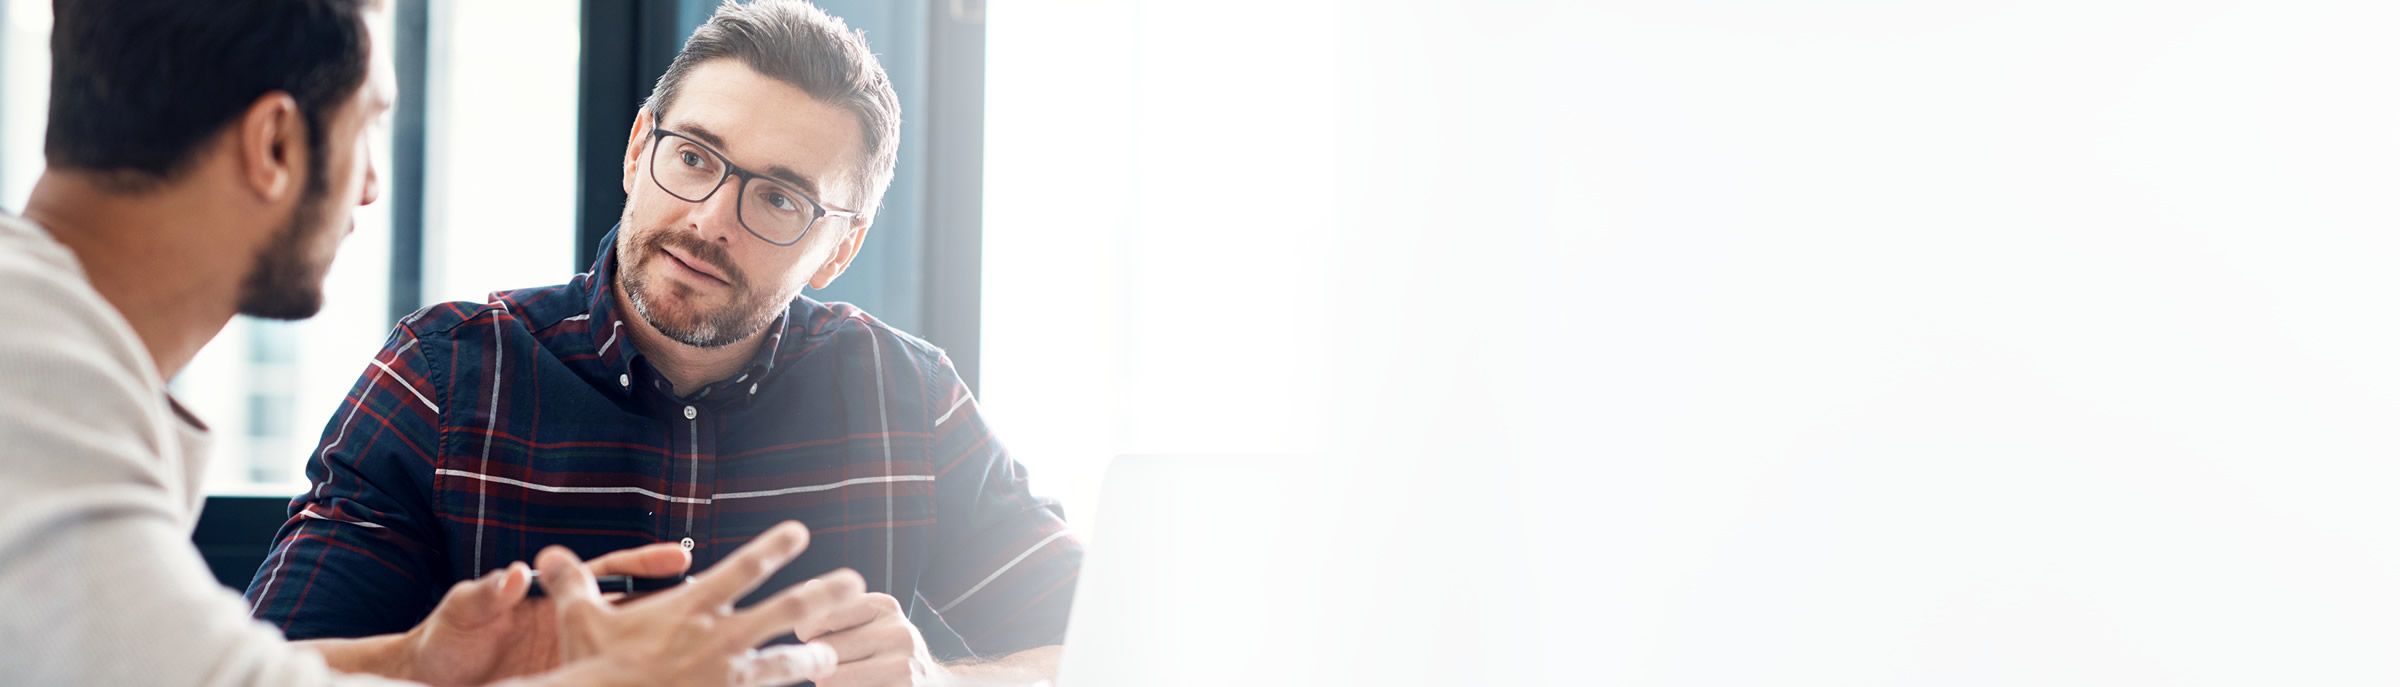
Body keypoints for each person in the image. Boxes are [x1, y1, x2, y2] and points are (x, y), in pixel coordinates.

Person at [0, 1, 865, 685]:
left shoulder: (45, 354)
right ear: (275, 146)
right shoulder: (39, 403)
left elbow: (197, 671)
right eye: (369, 124)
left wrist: (415, 660)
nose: (372, 185)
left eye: (779, 198)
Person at [245, 1, 1081, 684]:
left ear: (840, 250)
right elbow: (261, 673)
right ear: (638, 149)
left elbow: (1118, 649)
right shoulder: (442, 377)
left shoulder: (909, 400)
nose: (710, 220)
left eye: (780, 199)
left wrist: (943, 680)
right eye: (694, 157)